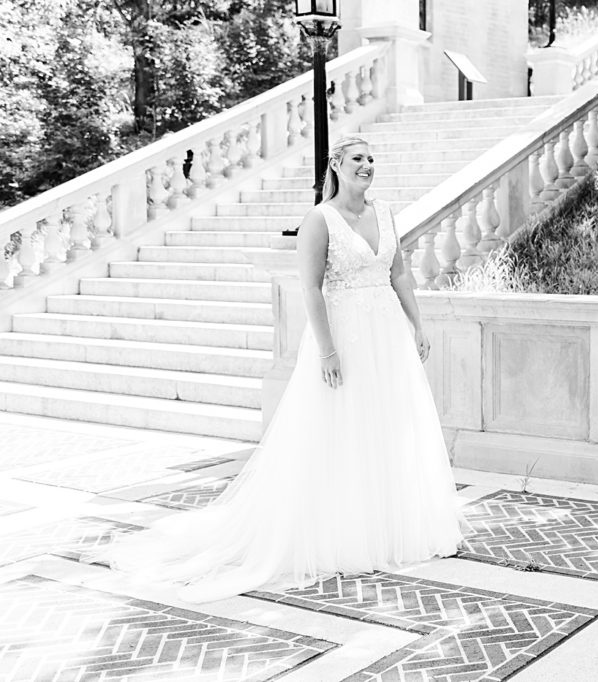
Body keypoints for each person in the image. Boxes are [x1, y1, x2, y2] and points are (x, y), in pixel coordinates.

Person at [92, 136, 464, 603]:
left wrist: (417, 323)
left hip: (387, 335)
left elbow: (400, 274)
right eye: (357, 159)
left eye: (371, 158)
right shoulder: (319, 219)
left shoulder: (385, 212)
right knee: (342, 427)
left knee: (388, 424)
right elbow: (310, 288)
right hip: (344, 335)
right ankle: (345, 530)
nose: (367, 166)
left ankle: (392, 522)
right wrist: (327, 351)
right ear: (336, 165)